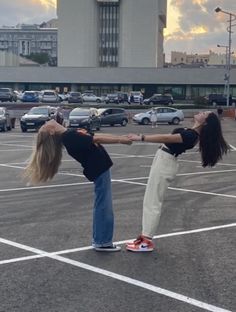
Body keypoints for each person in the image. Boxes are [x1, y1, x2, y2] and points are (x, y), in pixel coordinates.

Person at [126, 111, 229, 252]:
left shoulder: (191, 135)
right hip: (163, 160)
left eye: (204, 113)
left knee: (152, 202)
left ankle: (146, 240)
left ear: (205, 122)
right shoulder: (192, 132)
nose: (200, 112)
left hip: (165, 162)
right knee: (151, 200)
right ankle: (145, 237)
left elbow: (166, 137)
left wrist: (141, 137)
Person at [24, 119, 132, 252]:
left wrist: (121, 137)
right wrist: (121, 140)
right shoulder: (69, 137)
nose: (47, 121)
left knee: (103, 204)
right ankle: (102, 242)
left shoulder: (70, 133)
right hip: (99, 169)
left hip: (100, 168)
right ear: (52, 131)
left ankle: (101, 240)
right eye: (45, 125)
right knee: (104, 205)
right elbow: (97, 139)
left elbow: (94, 137)